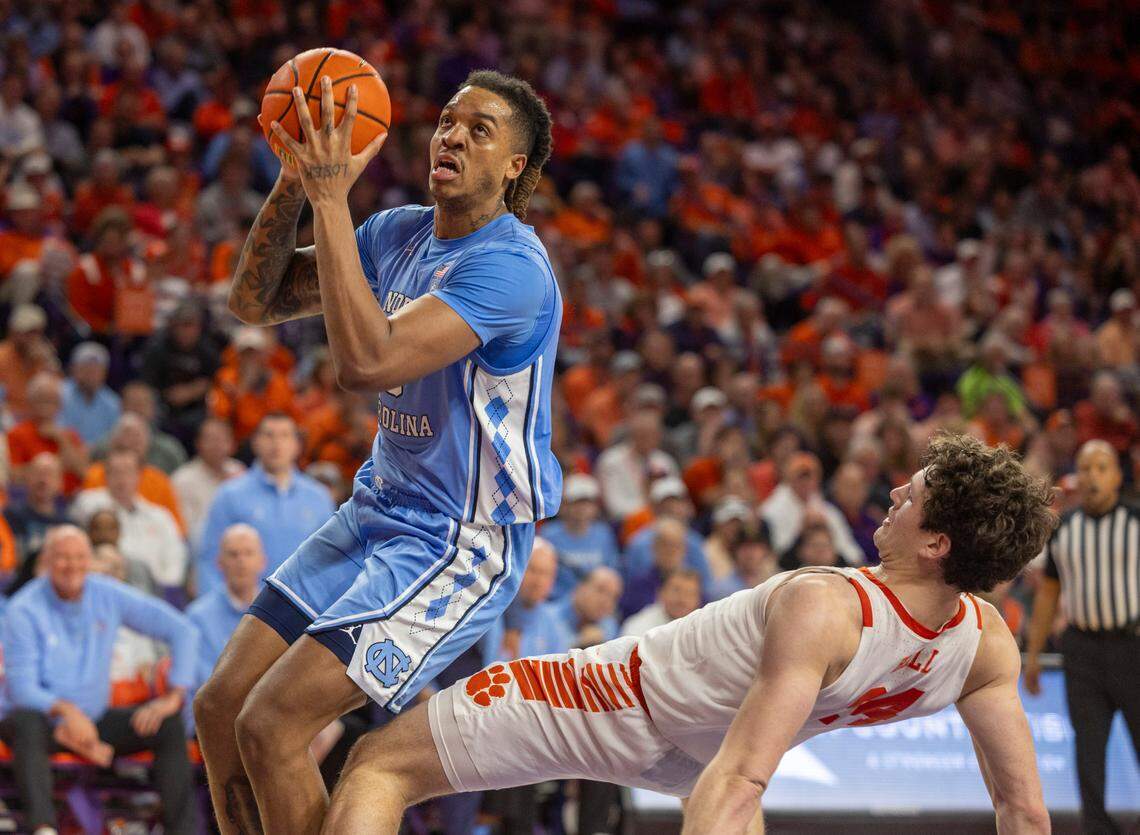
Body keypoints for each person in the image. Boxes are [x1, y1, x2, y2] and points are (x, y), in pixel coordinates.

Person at [322, 434, 1055, 835]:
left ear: (936, 544)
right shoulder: (984, 647)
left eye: (914, 495)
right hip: (704, 760)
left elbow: (741, 780)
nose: (896, 492)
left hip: (614, 702)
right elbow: (1024, 812)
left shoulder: (827, 604)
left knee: (379, 762)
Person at [194, 69, 560, 834]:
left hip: (459, 541)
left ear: (514, 167)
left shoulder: (513, 269)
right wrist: (298, 179)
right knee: (221, 706)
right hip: (375, 511)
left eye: (480, 130)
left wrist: (331, 198)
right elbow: (255, 301)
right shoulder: (395, 233)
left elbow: (366, 363)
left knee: (273, 724)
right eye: (448, 122)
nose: (452, 135)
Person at [0, 526, 199, 835]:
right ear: (47, 561)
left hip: (94, 719)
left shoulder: (105, 592)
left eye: (80, 557)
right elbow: (22, 689)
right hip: (41, 720)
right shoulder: (23, 608)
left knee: (169, 723)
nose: (72, 566)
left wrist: (173, 696)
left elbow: (183, 630)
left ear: (89, 560)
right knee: (26, 722)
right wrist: (67, 713)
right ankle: (44, 828)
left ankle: (183, 831)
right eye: (63, 558)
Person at [1024, 440, 1140, 835]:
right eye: (1086, 467)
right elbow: (1049, 594)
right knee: (1088, 748)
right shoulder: (1065, 531)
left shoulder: (1136, 522)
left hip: (1133, 647)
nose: (1093, 476)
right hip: (1083, 650)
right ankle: (1097, 828)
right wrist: (1035, 654)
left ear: (1117, 476)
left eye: (1102, 467)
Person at [194, 413, 333, 594]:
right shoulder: (230, 495)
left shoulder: (319, 498)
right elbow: (209, 560)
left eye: (284, 435)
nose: (276, 444)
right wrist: (221, 614)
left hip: (305, 610)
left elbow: (332, 560)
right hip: (246, 612)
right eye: (269, 435)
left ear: (297, 445)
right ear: (255, 443)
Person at [71, 449, 188, 588]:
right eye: (116, 472)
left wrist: (163, 588)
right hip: (106, 585)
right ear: (106, 475)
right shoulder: (87, 506)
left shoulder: (160, 516)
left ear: (139, 475)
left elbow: (175, 558)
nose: (122, 478)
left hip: (154, 591)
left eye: (128, 472)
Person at [186, 524, 266, 688]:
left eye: (248, 553)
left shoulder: (280, 613)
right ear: (219, 563)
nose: (241, 561)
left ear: (262, 562)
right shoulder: (198, 618)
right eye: (233, 554)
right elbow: (202, 684)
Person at [539, 473, 619, 601]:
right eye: (576, 503)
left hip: (595, 603)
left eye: (587, 503)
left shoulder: (604, 534)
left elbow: (612, 572)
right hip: (555, 602)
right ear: (564, 506)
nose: (582, 509)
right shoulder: (549, 534)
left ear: (595, 507)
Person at [171, 417, 244, 552]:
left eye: (222, 439)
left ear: (232, 444)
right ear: (198, 444)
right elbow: (185, 532)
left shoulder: (239, 472)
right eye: (210, 439)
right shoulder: (183, 479)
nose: (217, 445)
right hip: (200, 551)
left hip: (241, 549)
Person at [59, 341, 121, 446]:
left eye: (97, 369)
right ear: (73, 368)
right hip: (64, 451)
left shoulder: (113, 402)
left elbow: (114, 438)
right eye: (86, 368)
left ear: (104, 373)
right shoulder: (59, 393)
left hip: (99, 457)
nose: (91, 373)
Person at [621, 568, 702, 636]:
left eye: (690, 594)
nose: (682, 599)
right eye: (676, 591)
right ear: (660, 593)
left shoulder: (701, 628)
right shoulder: (637, 626)